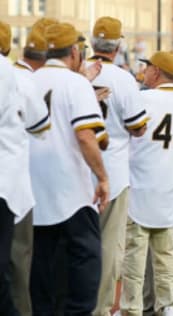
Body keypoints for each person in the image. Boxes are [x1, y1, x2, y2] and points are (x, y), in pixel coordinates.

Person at [29, 22, 110, 315]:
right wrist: (102, 177)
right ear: (74, 51)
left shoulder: (31, 79)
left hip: (34, 185)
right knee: (85, 259)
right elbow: (87, 136)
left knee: (42, 264)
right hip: (71, 187)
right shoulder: (76, 83)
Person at [87, 16, 149, 316]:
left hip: (78, 170)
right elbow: (138, 127)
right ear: (118, 44)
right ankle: (99, 310)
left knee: (71, 244)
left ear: (91, 42)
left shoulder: (79, 73)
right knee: (109, 248)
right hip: (112, 171)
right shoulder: (124, 79)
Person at [120, 51, 173, 316]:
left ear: (157, 72)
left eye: (147, 67)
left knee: (135, 256)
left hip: (142, 184)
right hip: (170, 185)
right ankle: (167, 306)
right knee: (166, 256)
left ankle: (131, 307)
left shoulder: (143, 98)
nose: (144, 71)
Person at [0, 20, 52, 316]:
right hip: (11, 183)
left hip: (12, 181)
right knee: (16, 261)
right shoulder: (19, 77)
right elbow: (41, 126)